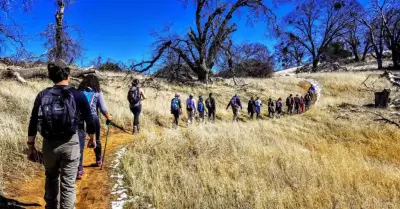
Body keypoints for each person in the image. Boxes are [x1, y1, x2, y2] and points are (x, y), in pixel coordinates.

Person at [27, 59, 96, 209]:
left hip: (49, 145)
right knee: (68, 184)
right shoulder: (78, 95)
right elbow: (89, 119)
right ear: (68, 75)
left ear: (51, 76)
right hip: (70, 143)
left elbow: (33, 121)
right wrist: (92, 138)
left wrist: (31, 145)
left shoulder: (42, 95)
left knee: (51, 177)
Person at [77, 75, 113, 179]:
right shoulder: (98, 92)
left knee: (80, 144)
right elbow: (102, 108)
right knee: (96, 140)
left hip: (80, 119)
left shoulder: (79, 91)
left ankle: (79, 169)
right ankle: (98, 160)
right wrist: (108, 117)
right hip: (93, 118)